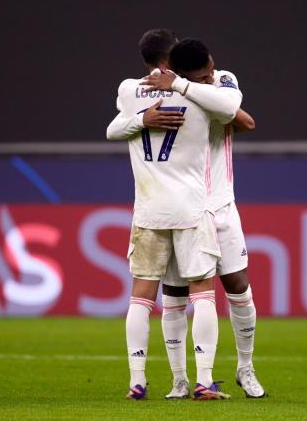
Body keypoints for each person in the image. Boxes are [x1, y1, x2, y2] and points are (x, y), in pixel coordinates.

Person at [106, 29, 241, 400]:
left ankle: (137, 381)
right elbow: (232, 110)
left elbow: (112, 129)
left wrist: (141, 119)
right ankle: (203, 380)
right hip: (191, 209)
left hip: (148, 210)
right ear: (173, 60)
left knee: (141, 297)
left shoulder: (129, 91)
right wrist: (183, 85)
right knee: (202, 294)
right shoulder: (198, 97)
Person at [137, 38, 266, 399]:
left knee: (238, 284)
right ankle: (180, 379)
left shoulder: (223, 80)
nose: (211, 77)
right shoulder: (163, 96)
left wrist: (185, 86)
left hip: (221, 205)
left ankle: (246, 367)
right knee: (176, 293)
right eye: (203, 75)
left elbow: (236, 112)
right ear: (182, 72)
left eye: (211, 69)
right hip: (183, 208)